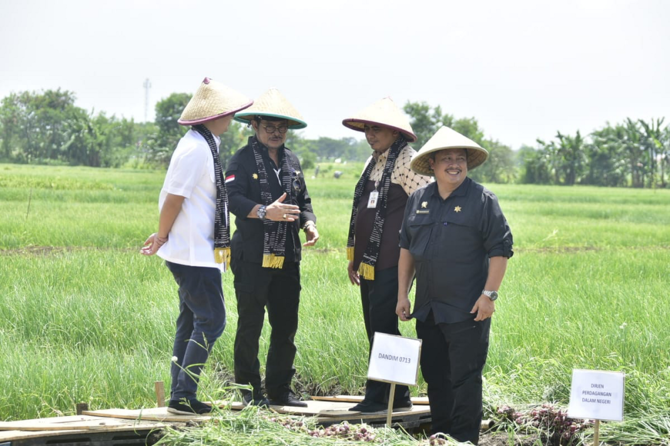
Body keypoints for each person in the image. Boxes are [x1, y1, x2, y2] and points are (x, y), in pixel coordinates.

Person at [141, 77, 252, 415]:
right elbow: (174, 198)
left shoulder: (204, 143)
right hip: (192, 253)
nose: (231, 120)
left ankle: (180, 394)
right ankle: (183, 394)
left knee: (191, 321)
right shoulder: (195, 148)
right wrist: (160, 235)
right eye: (228, 114)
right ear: (213, 116)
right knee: (213, 320)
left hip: (198, 251)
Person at [396, 126, 514, 444]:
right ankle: (441, 434)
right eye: (446, 158)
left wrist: (489, 295)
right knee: (435, 376)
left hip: (467, 309)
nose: (454, 164)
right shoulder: (419, 199)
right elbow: (407, 249)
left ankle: (464, 439)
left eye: (459, 158)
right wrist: (402, 295)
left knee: (465, 378)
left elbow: (500, 250)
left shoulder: (482, 200)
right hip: (428, 307)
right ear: (432, 164)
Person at [225, 88, 319, 407]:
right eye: (269, 127)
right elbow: (232, 198)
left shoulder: (292, 159)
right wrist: (266, 211)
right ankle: (251, 393)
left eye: (281, 127)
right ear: (254, 125)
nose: (276, 133)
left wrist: (309, 223)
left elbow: (302, 198)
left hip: (288, 256)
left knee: (285, 325)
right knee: (250, 324)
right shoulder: (241, 158)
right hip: (252, 255)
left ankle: (280, 390)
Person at [342, 97, 432, 414]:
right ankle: (397, 395)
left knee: (384, 326)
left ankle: (380, 396)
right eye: (367, 129)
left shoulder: (407, 160)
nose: (370, 134)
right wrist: (354, 257)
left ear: (394, 132)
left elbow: (429, 201)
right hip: (369, 262)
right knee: (374, 325)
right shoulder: (373, 161)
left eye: (376, 129)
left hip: (394, 260)